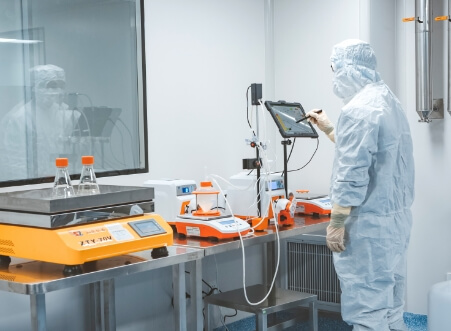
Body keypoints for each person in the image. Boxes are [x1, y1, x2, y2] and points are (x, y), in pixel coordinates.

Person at [306, 39, 415, 331]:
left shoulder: (357, 110)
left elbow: (351, 172)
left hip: (367, 227)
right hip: (394, 222)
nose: (334, 79)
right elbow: (369, 153)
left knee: (367, 311)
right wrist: (329, 127)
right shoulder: (388, 101)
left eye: (335, 70)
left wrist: (337, 222)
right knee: (391, 308)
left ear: (350, 69)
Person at [0, 64, 82, 181]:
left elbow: (70, 149)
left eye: (60, 86)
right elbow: (13, 162)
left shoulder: (63, 113)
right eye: (50, 86)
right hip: (33, 183)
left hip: (60, 179)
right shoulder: (20, 118)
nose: (55, 91)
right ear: (34, 87)